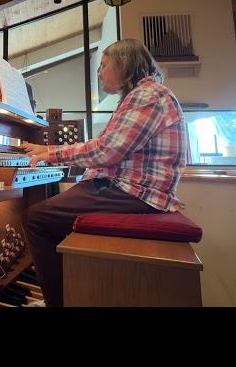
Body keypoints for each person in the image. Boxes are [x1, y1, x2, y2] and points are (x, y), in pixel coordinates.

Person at [20, 38, 187, 307]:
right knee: (54, 212)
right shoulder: (141, 96)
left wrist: (51, 154)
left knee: (36, 218)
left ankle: (58, 301)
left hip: (135, 193)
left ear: (124, 64)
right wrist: (49, 152)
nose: (99, 73)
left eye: (103, 65)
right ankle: (73, 288)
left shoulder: (148, 96)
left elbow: (107, 151)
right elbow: (106, 151)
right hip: (125, 187)